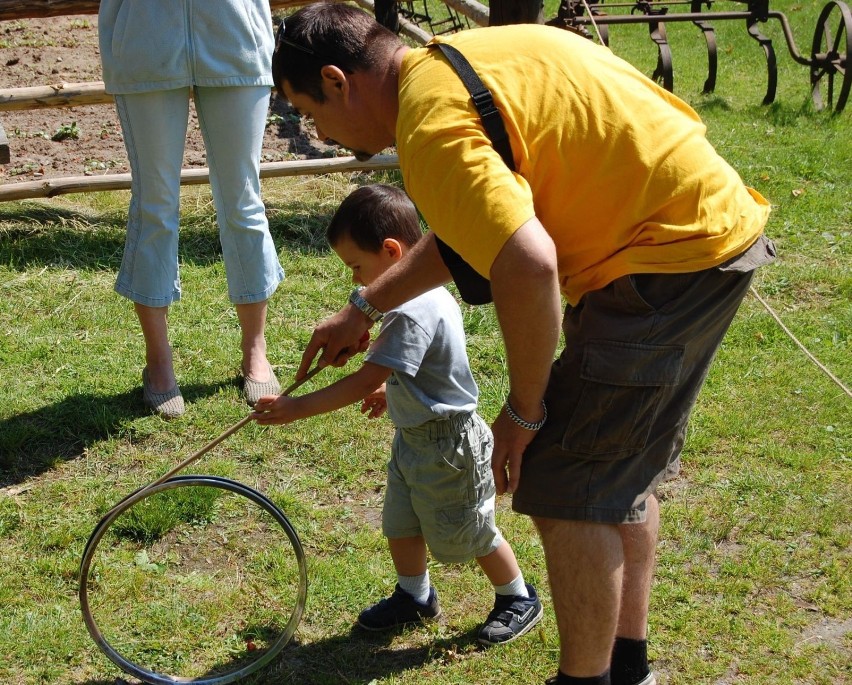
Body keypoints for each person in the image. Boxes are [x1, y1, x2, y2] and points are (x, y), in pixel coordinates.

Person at [271, 5, 776, 685]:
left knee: (569, 479)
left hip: (667, 256)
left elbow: (529, 264)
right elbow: (465, 229)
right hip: (700, 229)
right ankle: (626, 668)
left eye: (309, 113)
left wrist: (525, 410)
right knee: (613, 474)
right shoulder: (442, 63)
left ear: (337, 81)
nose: (320, 134)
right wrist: (363, 305)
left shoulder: (429, 127)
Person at [252, 183, 543, 645]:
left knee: (469, 529)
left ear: (391, 251)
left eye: (356, 267)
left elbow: (364, 378)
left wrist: (296, 408)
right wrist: (395, 390)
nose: (355, 281)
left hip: (449, 445)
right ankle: (415, 596)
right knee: (401, 524)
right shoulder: (417, 297)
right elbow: (427, 366)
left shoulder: (411, 308)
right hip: (415, 439)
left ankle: (517, 596)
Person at [98, 0, 285, 418]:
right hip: (146, 38)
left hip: (235, 33)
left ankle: (256, 350)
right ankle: (159, 364)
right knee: (155, 205)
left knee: (243, 201)